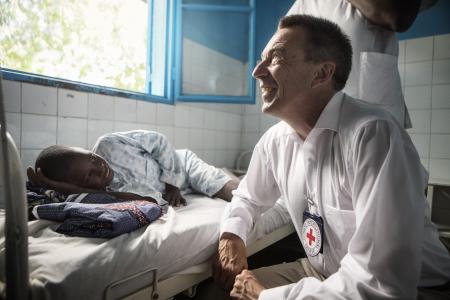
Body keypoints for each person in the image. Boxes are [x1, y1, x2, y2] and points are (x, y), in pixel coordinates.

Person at [211, 15, 450, 300]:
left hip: (411, 288)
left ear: (322, 74)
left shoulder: (372, 134)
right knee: (221, 292)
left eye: (274, 58)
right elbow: (248, 197)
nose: (257, 72)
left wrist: (265, 296)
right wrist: (232, 234)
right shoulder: (275, 141)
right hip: (322, 273)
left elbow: (381, 283)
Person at [286, 0, 437, 128]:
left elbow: (398, 14)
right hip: (326, 118)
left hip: (372, 112)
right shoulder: (305, 4)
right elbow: (279, 47)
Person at [27, 130, 239, 207]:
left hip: (182, 164)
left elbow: (159, 141)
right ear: (79, 187)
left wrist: (172, 185)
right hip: (183, 190)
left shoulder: (108, 144)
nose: (99, 167)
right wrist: (56, 186)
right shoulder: (111, 195)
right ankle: (225, 170)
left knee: (218, 185)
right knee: (210, 181)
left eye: (91, 158)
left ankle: (226, 175)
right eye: (89, 176)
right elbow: (150, 200)